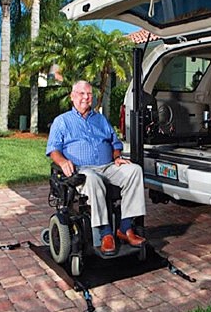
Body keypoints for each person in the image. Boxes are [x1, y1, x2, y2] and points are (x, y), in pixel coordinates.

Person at [46, 80, 147, 256]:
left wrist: (117, 157)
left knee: (134, 171)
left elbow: (115, 143)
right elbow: (53, 149)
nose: (86, 97)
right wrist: (62, 162)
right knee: (92, 178)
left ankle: (125, 227)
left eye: (89, 94)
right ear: (72, 96)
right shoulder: (62, 121)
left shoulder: (100, 119)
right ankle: (106, 233)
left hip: (107, 166)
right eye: (81, 93)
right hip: (83, 169)